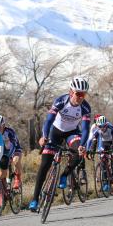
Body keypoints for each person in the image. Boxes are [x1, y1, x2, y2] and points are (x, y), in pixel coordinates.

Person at [28, 76, 91, 212]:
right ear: (71, 92)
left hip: (72, 133)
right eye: (78, 94)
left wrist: (82, 145)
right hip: (55, 131)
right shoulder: (61, 101)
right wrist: (44, 136)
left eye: (83, 94)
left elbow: (86, 129)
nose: (80, 97)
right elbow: (48, 121)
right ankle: (35, 199)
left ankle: (65, 174)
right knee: (44, 165)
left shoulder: (85, 107)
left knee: (78, 153)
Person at [86, 115, 113, 192]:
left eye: (104, 126)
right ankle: (105, 184)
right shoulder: (97, 131)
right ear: (98, 126)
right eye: (100, 126)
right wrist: (91, 151)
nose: (102, 128)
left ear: (106, 124)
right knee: (103, 162)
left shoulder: (110, 128)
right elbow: (94, 142)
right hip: (103, 144)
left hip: (111, 142)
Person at [0, 114, 23, 189]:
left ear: (3, 125)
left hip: (15, 149)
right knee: (0, 169)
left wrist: (9, 156)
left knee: (15, 160)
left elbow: (13, 145)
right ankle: (4, 188)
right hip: (3, 151)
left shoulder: (9, 132)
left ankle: (17, 178)